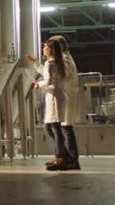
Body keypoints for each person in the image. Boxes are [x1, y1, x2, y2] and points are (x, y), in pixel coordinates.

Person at [32, 37, 71, 171]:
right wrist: (37, 64)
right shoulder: (60, 62)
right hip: (60, 95)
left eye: (45, 47)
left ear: (50, 49)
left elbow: (48, 80)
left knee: (54, 128)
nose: (43, 49)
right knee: (52, 128)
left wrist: (38, 84)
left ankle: (60, 157)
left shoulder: (50, 63)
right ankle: (62, 155)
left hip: (54, 97)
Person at [51, 35, 82, 171]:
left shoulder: (65, 59)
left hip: (67, 97)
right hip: (66, 96)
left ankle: (72, 160)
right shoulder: (65, 58)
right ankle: (66, 157)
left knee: (66, 129)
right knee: (63, 129)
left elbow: (62, 76)